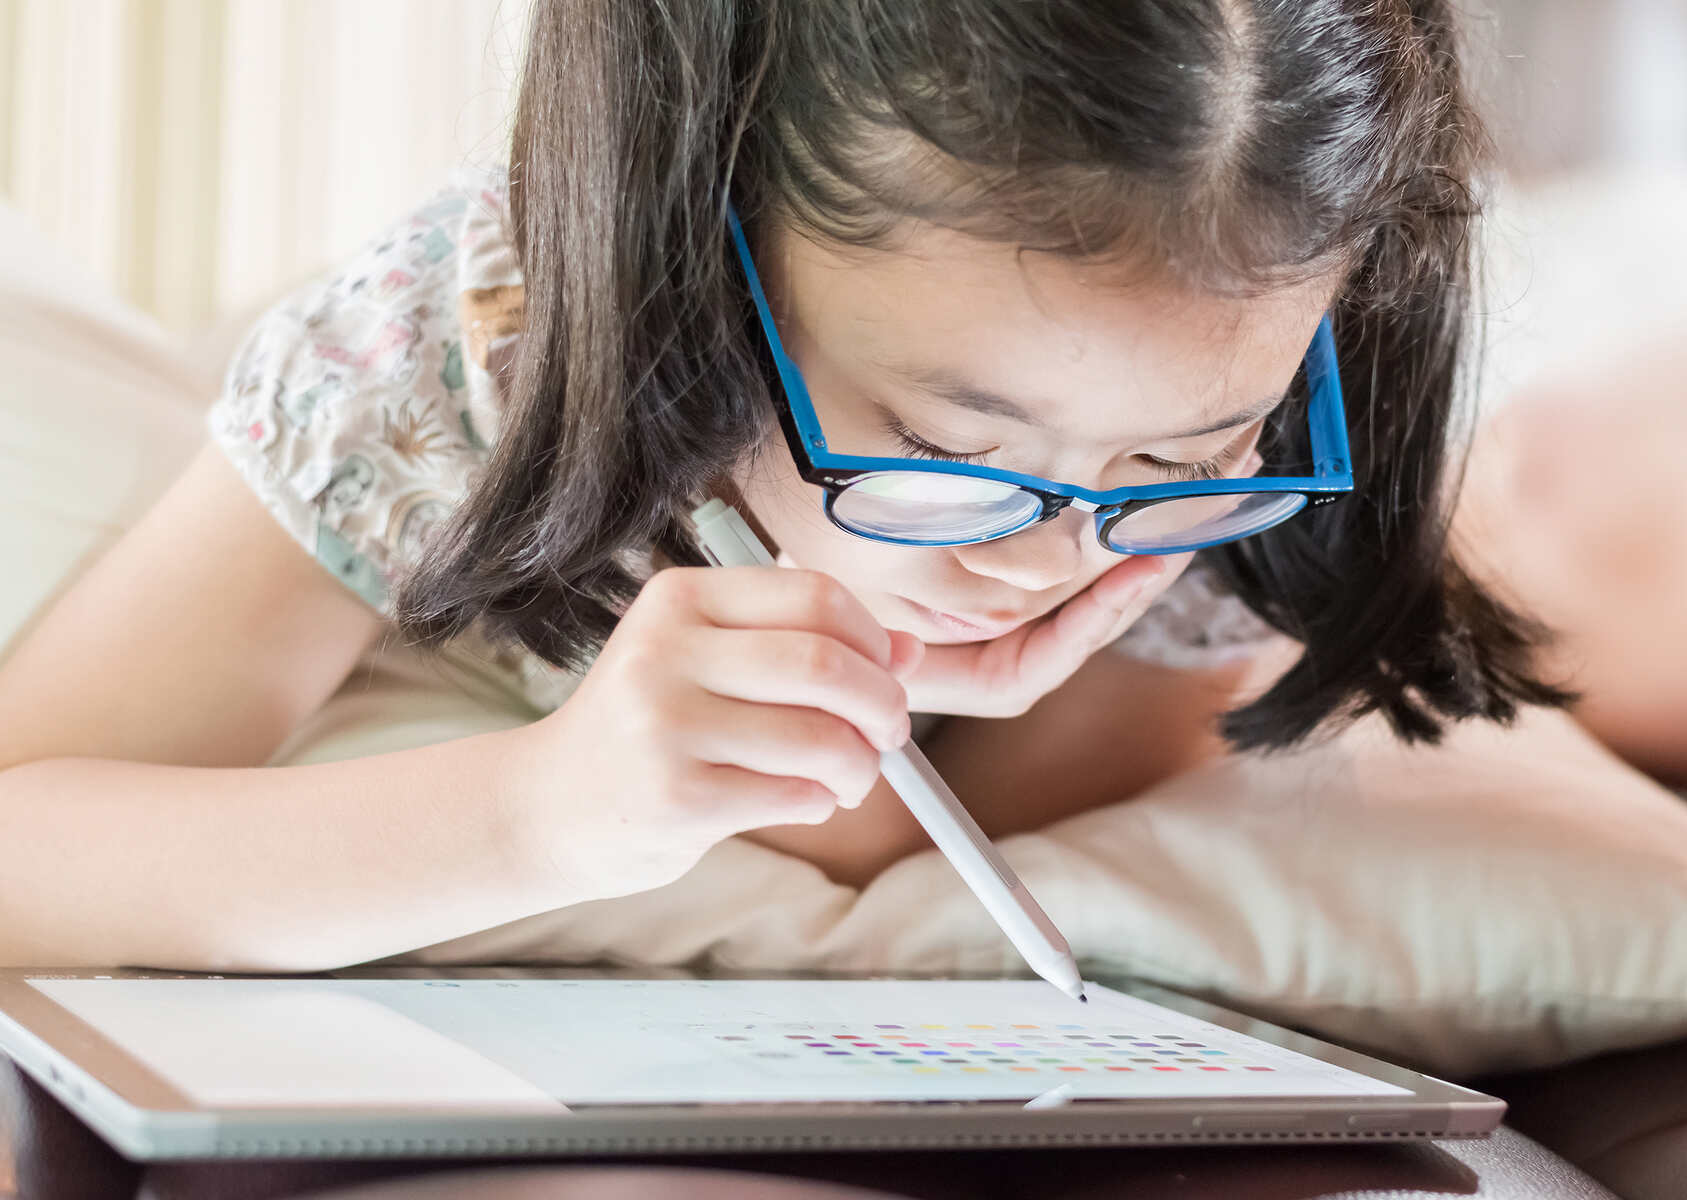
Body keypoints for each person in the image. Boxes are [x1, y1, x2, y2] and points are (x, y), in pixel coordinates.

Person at [0, 0, 1566, 971]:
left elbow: (900, 838)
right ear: (697, 253)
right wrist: (550, 810)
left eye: (1175, 456)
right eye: (949, 452)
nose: (1048, 559)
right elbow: (26, 851)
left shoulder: (1248, 476)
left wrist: (911, 728)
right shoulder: (452, 350)